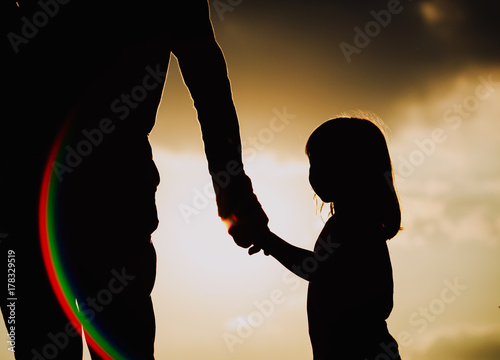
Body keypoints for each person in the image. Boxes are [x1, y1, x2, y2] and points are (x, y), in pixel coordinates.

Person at [1, 1, 267, 359]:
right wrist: (231, 186)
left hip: (52, 193)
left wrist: (232, 185)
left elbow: (208, 81)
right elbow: (209, 83)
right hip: (98, 191)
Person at [234, 117, 402, 359]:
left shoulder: (356, 223)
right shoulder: (352, 222)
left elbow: (318, 270)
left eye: (326, 162)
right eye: (313, 164)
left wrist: (269, 241)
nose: (314, 173)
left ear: (355, 167)